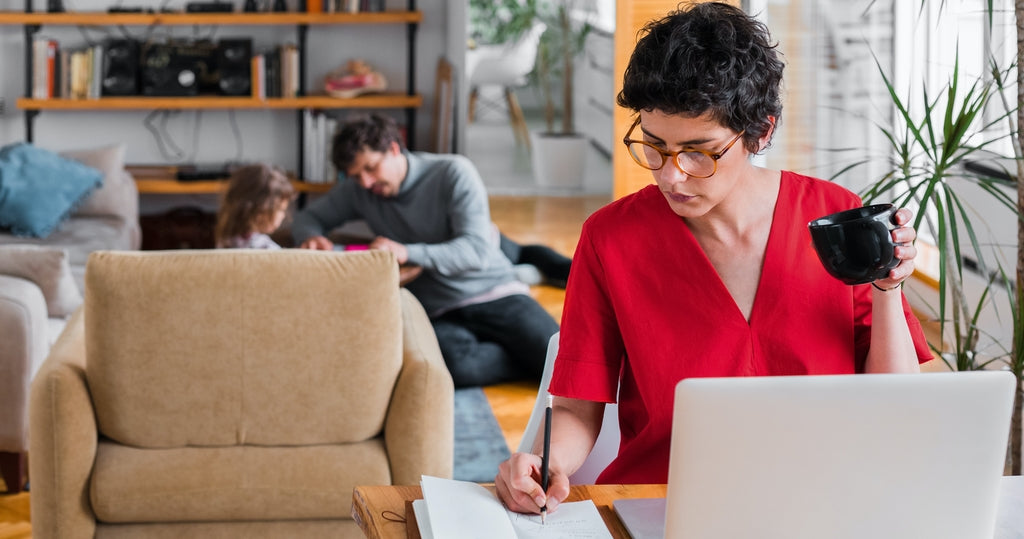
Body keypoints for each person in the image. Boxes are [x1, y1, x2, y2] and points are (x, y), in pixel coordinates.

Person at [494, 2, 933, 516]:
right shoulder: (610, 239)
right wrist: (544, 463)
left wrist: (888, 288)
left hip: (823, 505)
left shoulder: (836, 218)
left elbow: (896, 405)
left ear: (762, 132)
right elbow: (577, 408)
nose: (669, 176)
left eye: (698, 152)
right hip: (663, 507)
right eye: (653, 146)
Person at [291, 113, 560, 387]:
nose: (365, 183)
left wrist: (407, 253)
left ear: (394, 149)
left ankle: (533, 339)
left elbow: (476, 252)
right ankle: (527, 361)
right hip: (438, 309)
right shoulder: (358, 190)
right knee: (457, 369)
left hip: (492, 291)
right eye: (356, 176)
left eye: (370, 169)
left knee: (560, 362)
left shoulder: (453, 172)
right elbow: (305, 219)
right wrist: (312, 237)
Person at [215, 163, 295, 249]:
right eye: (281, 209)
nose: (284, 216)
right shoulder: (266, 247)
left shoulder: (225, 240)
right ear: (260, 210)